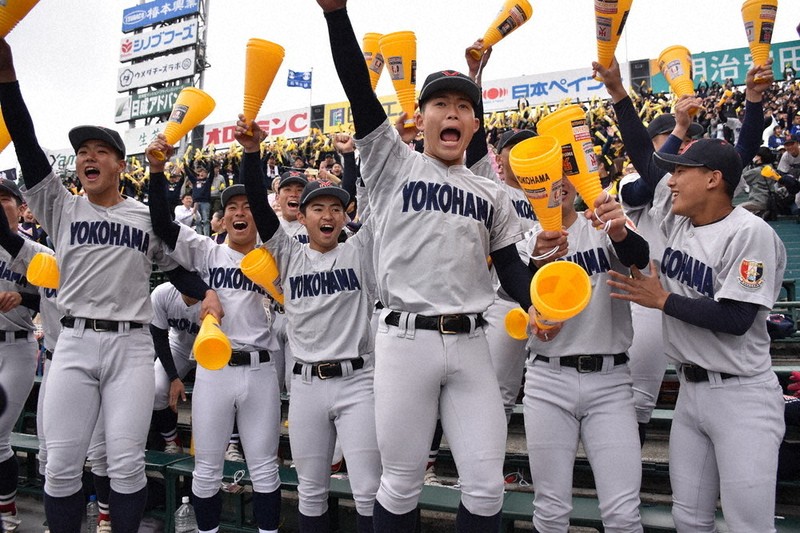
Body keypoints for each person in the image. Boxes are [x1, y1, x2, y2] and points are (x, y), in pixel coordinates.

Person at [318, 2, 534, 529]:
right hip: (404, 340)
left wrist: (538, 305)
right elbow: (360, 92)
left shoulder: (492, 193)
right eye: (441, 103)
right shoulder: (394, 163)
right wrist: (335, 15)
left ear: (475, 123)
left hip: (470, 344)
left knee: (485, 490)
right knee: (400, 483)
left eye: (464, 106)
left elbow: (510, 270)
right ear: (421, 116)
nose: (453, 113)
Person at [0, 38, 220, 533]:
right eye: (82, 152)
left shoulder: (145, 217)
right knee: (60, 465)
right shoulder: (61, 206)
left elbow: (179, 270)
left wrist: (204, 290)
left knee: (124, 465)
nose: (88, 157)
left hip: (130, 344)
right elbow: (28, 143)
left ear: (122, 164)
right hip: (73, 343)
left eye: (101, 151)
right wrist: (8, 84)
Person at [608, 137, 787, 532]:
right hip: (691, 392)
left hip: (742, 396)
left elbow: (738, 316)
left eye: (681, 171)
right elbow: (641, 247)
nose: (671, 180)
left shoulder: (749, 233)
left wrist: (663, 302)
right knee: (688, 519)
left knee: (749, 525)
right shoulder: (678, 220)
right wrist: (619, 232)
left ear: (713, 179)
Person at [593, 56, 770, 441]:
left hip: (678, 303)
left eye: (685, 162)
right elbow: (648, 164)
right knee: (637, 398)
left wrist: (754, 102)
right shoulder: (634, 184)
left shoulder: (739, 226)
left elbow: (736, 158)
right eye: (674, 156)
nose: (675, 169)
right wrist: (673, 123)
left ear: (710, 177)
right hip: (650, 293)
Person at [240, 116, 381, 532]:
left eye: (336, 208)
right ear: (301, 217)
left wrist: (352, 158)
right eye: (317, 207)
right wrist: (251, 154)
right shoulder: (287, 253)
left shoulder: (360, 250)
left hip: (358, 382)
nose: (328, 214)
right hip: (304, 385)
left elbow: (374, 202)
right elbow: (258, 205)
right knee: (311, 491)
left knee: (370, 490)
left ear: (344, 216)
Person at [146, 134, 283, 533]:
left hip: (260, 369)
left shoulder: (277, 254)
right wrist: (157, 172)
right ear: (223, 218)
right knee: (206, 467)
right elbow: (160, 222)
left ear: (259, 214)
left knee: (264, 468)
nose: (240, 211)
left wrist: (253, 155)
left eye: (248, 206)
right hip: (214, 368)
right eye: (232, 207)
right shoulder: (208, 251)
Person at [522, 166, 649, 531]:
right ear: (532, 184)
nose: (556, 182)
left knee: (623, 512)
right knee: (550, 509)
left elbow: (638, 257)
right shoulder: (525, 238)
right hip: (548, 378)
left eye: (562, 173)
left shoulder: (602, 223)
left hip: (610, 381)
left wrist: (620, 228)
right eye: (543, 175)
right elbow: (514, 294)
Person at [0, 179, 43, 531]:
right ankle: (7, 510)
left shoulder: (33, 251)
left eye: (5, 199)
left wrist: (23, 298)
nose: (0, 206)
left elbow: (53, 298)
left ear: (19, 206)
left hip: (18, 344)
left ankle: (7, 513)